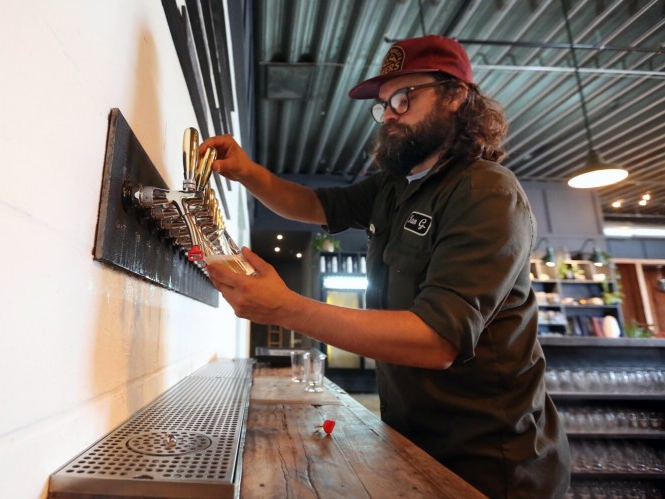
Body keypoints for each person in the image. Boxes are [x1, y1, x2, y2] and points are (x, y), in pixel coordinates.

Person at [201, 35, 570, 498]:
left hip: (493, 462)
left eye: (403, 97)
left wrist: (285, 308)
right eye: (383, 105)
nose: (389, 114)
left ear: (456, 95)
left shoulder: (486, 192)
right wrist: (247, 172)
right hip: (414, 438)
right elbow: (313, 204)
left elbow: (437, 342)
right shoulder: (393, 187)